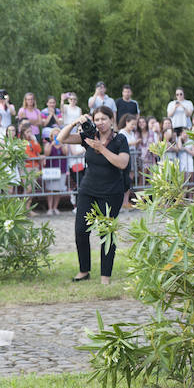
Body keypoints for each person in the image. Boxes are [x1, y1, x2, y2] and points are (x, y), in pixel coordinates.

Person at [59, 106, 130, 285]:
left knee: (106, 234)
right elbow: (62, 138)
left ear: (111, 120)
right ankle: (84, 271)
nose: (100, 123)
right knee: (80, 231)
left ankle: (105, 276)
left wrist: (101, 148)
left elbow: (122, 163)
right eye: (96, 119)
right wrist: (75, 122)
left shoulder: (120, 139)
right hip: (88, 190)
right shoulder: (89, 137)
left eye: (103, 119)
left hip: (111, 193)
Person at [117, 114, 140, 210]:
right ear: (126, 122)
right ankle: (123, 202)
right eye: (132, 124)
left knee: (130, 181)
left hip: (132, 159)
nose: (133, 126)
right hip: (125, 159)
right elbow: (123, 143)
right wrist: (135, 143)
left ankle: (126, 201)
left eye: (135, 125)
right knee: (125, 180)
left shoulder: (132, 133)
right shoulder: (122, 132)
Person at [43, 128, 67, 215]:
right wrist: (51, 145)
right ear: (51, 136)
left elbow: (66, 153)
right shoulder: (48, 144)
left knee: (58, 189)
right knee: (50, 189)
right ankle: (49, 208)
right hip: (51, 169)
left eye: (58, 134)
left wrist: (62, 145)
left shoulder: (63, 144)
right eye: (54, 135)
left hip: (61, 169)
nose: (56, 136)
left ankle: (55, 207)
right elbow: (46, 154)